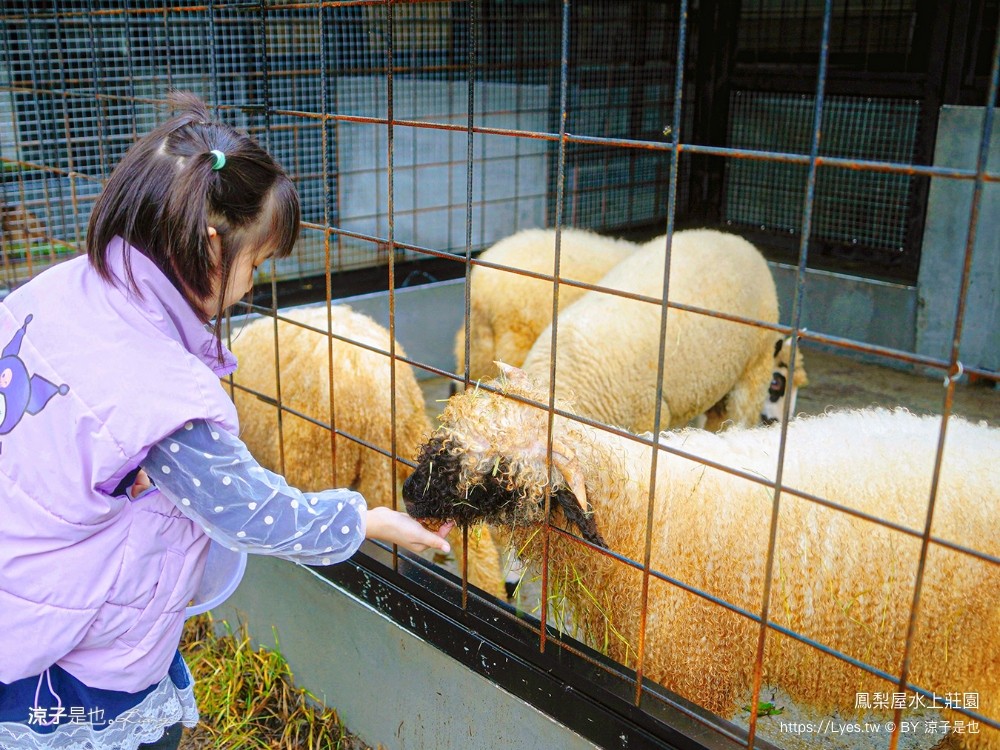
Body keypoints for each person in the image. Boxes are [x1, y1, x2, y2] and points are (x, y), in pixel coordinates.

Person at [0, 91, 453, 750]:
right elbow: (250, 510)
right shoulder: (162, 397)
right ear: (213, 249)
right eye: (258, 265)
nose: (251, 287)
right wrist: (365, 519)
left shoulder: (55, 291)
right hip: (74, 651)